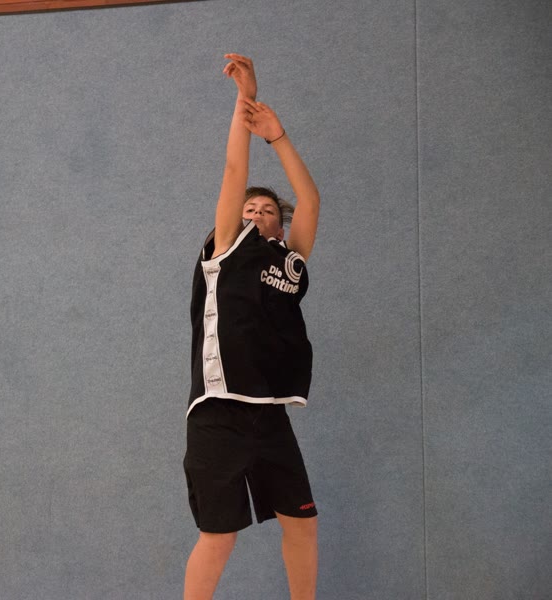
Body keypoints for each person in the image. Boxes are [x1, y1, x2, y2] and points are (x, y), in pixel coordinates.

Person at [183, 54, 321, 600]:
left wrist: (278, 136)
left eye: (267, 210)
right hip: (218, 412)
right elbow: (233, 173)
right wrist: (245, 101)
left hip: (269, 414)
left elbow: (310, 199)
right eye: (250, 208)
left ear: (279, 226)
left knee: (303, 523)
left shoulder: (289, 261)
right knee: (219, 536)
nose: (258, 212)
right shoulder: (225, 247)